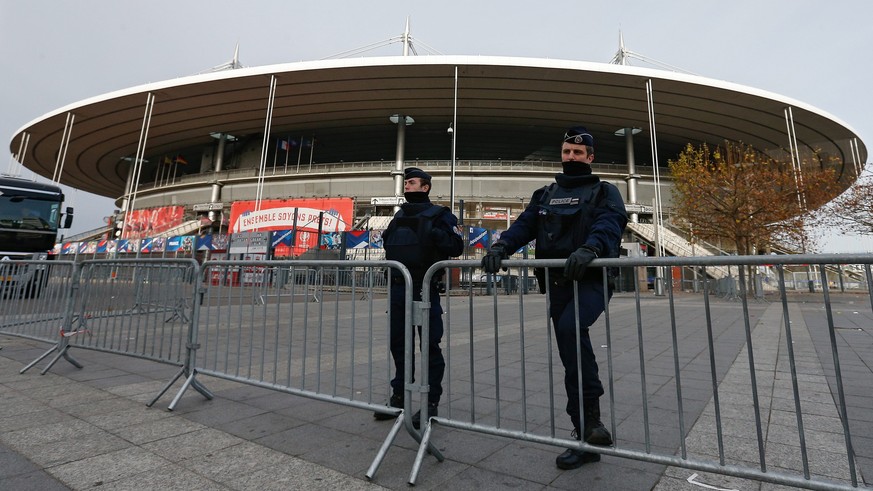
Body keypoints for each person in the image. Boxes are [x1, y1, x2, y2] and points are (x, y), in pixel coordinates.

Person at [481, 126, 628, 470]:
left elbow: (610, 223)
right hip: (559, 283)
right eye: (567, 152)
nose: (571, 157)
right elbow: (524, 226)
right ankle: (586, 432)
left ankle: (591, 424)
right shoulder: (545, 193)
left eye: (578, 153)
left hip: (591, 279)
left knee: (570, 329)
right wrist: (501, 246)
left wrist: (591, 247)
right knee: (569, 347)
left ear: (590, 157)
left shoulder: (605, 191)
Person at [375, 167, 464, 429]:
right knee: (399, 343)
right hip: (399, 287)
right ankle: (400, 395)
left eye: (411, 182)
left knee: (429, 345)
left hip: (425, 288)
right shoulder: (399, 215)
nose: (406, 186)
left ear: (425, 187)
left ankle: (430, 401)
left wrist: (433, 233)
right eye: (406, 182)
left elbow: (456, 246)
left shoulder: (441, 215)